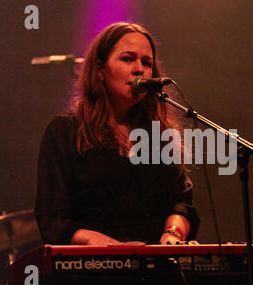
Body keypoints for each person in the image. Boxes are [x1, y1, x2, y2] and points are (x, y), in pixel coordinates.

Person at [34, 22, 200, 246]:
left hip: (158, 272)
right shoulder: (64, 132)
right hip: (90, 274)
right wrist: (110, 246)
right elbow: (52, 220)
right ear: (100, 70)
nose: (139, 68)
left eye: (146, 62)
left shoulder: (161, 136)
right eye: (127, 59)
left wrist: (173, 234)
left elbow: (181, 203)